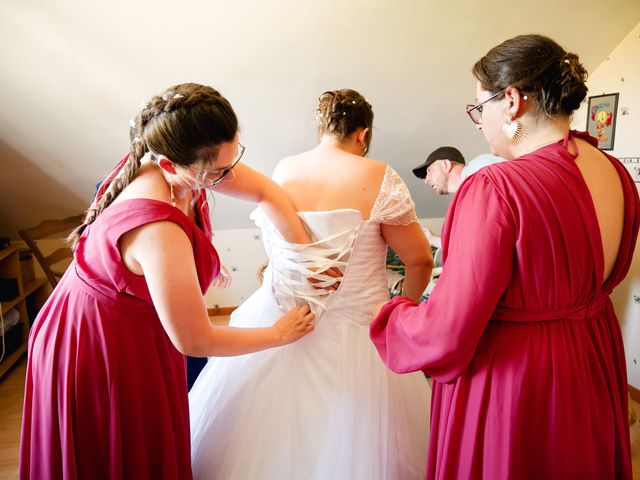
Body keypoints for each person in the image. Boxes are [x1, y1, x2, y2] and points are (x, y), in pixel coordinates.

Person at [370, 34, 639, 479]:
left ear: (511, 100)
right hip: (592, 358)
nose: (480, 122)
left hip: (517, 379)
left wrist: (392, 315)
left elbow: (448, 329)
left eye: (480, 107)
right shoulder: (612, 170)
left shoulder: (496, 187)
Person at [19, 83, 317, 479]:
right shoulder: (158, 227)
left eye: (234, 158)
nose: (228, 177)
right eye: (217, 173)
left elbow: (265, 191)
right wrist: (277, 334)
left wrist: (310, 261)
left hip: (124, 326)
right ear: (170, 166)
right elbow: (196, 340)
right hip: (96, 346)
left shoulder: (185, 163)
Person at [189, 88, 434, 479]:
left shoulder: (284, 170)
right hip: (359, 331)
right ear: (363, 135)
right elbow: (419, 259)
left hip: (281, 319)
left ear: (321, 128)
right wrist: (400, 308)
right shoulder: (379, 176)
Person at [413, 147, 504, 248]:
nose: (426, 180)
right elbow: (466, 245)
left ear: (446, 165)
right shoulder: (462, 203)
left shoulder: (479, 166)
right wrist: (432, 239)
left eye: (429, 171)